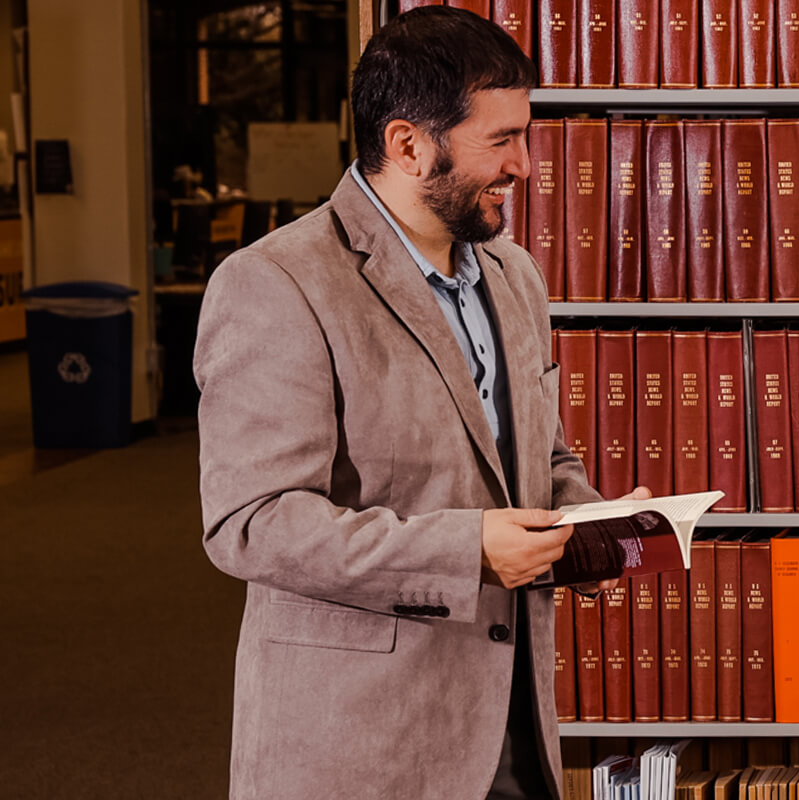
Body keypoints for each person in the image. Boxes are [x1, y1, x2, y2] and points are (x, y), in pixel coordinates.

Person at [195, 8, 633, 798]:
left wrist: (595, 530)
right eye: (501, 141)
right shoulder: (276, 284)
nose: (527, 167)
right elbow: (251, 524)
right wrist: (467, 552)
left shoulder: (515, 276)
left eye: (525, 136)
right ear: (407, 144)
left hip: (514, 732)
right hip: (362, 747)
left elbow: (541, 458)